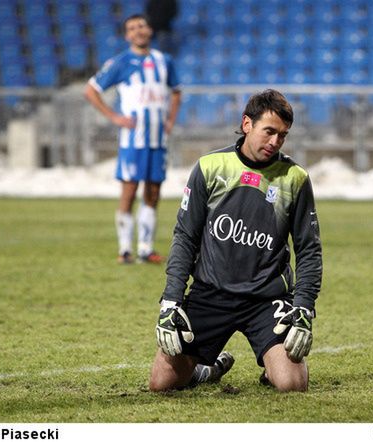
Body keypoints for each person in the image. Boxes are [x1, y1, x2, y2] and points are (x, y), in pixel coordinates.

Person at [149, 89, 323, 392]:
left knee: (292, 384)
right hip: (210, 293)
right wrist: (171, 300)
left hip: (266, 300)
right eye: (269, 131)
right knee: (161, 384)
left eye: (282, 135)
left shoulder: (295, 178)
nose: (275, 142)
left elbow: (309, 250)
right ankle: (207, 369)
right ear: (247, 124)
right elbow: (185, 237)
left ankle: (272, 369)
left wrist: (304, 307)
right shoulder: (209, 168)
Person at [84, 14, 182, 264]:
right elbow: (91, 90)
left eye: (142, 26)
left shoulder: (164, 61)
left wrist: (170, 120)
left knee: (153, 192)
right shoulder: (121, 62)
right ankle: (125, 249)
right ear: (127, 36)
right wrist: (114, 117)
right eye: (132, 28)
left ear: (149, 30)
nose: (138, 31)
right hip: (132, 141)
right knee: (129, 191)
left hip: (157, 140)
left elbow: (176, 92)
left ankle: (146, 249)